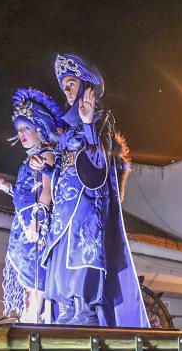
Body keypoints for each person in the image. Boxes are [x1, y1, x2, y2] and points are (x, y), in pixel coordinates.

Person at [43, 53, 148, 327]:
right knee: (61, 256)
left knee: (82, 254)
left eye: (72, 84)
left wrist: (88, 123)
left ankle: (84, 309)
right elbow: (60, 169)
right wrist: (46, 167)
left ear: (87, 88)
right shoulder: (65, 132)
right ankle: (66, 309)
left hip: (87, 205)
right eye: (64, 86)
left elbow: (102, 163)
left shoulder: (102, 121)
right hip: (63, 208)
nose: (66, 92)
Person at [0, 88, 63, 323]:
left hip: (35, 223)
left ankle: (37, 312)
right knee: (25, 266)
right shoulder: (28, 159)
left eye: (26, 128)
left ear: (40, 129)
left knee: (35, 265)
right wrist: (6, 187)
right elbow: (25, 193)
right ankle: (29, 311)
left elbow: (47, 190)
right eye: (19, 130)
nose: (21, 134)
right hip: (23, 223)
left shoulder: (47, 154)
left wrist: (38, 221)